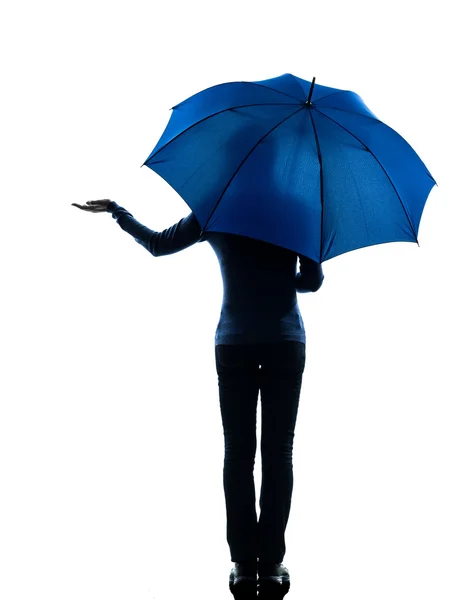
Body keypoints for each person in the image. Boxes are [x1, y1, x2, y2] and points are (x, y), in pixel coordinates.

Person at [72, 198, 324, 598]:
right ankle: (272, 564)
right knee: (279, 453)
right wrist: (281, 277)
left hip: (234, 342)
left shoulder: (217, 205)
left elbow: (157, 244)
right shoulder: (297, 208)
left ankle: (243, 566)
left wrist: (118, 212)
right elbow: (311, 281)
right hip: (284, 341)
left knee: (237, 455)